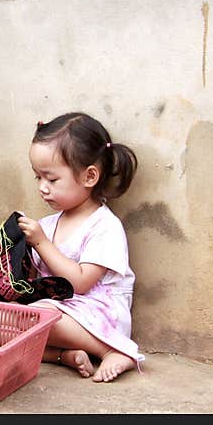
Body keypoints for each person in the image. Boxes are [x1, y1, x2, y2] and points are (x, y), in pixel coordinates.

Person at [17, 112, 144, 382]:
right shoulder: (50, 224)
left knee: (39, 316)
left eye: (51, 179)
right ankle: (66, 355)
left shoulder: (104, 226)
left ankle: (112, 349)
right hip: (59, 311)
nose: (42, 188)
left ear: (89, 177)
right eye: (37, 177)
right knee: (6, 319)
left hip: (98, 313)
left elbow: (81, 283)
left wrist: (41, 243)